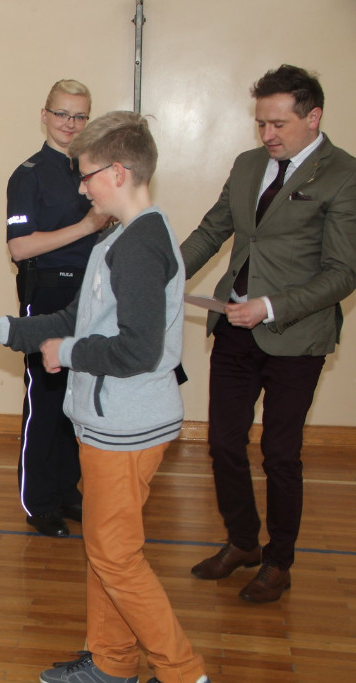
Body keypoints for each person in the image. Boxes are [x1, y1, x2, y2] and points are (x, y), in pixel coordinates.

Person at [0, 111, 208, 683]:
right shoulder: (118, 237)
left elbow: (138, 349)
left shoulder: (140, 244)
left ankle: (183, 673)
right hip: (108, 423)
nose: (82, 188)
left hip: (127, 427)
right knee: (105, 551)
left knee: (117, 557)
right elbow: (75, 318)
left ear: (118, 172)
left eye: (87, 175)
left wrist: (65, 353)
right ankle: (113, 663)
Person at [181, 65, 356, 604]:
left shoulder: (343, 175)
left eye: (279, 124)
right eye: (261, 123)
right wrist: (159, 275)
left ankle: (279, 561)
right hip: (234, 328)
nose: (267, 134)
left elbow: (343, 272)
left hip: (296, 337)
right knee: (222, 443)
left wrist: (270, 306)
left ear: (313, 117)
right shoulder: (249, 164)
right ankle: (242, 542)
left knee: (280, 453)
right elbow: (212, 231)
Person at [6, 79, 110, 538]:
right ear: (44, 115)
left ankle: (67, 490)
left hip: (91, 294)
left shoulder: (93, 170)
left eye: (79, 116)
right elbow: (19, 247)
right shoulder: (28, 174)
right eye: (62, 114)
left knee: (78, 397)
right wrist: (86, 225)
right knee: (46, 398)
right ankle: (38, 500)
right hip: (47, 292)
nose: (70, 124)